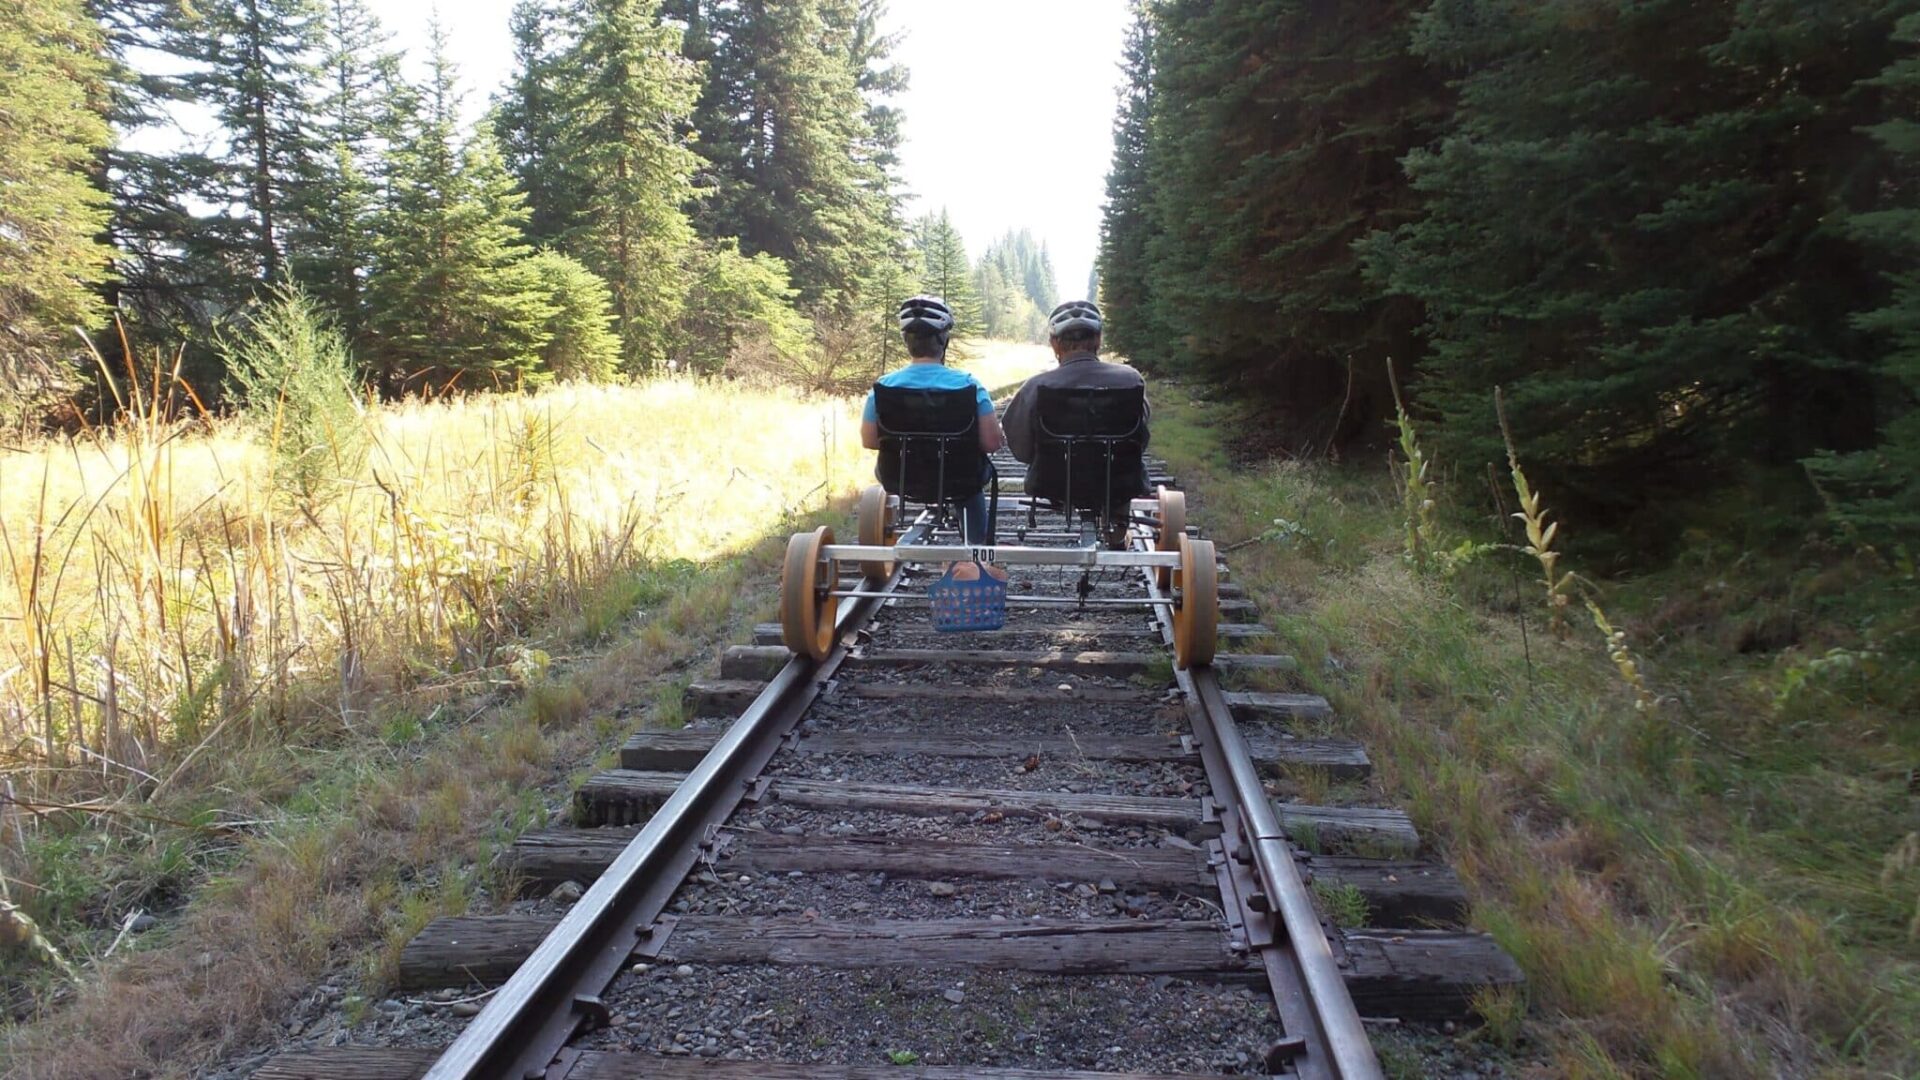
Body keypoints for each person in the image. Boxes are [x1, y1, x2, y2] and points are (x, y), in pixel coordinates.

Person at [1001, 300, 1150, 543]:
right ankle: (1116, 531)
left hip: (1052, 482)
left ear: (1055, 343)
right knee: (1121, 467)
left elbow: (1020, 448)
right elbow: (1139, 439)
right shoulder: (1131, 379)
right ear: (1098, 340)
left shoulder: (1036, 386)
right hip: (1118, 481)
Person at [862, 296, 1006, 543]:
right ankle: (978, 546)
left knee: (963, 476)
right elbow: (992, 444)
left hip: (900, 477)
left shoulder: (882, 388)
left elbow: (870, 441)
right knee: (970, 481)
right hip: (961, 480)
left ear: (907, 341)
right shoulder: (970, 385)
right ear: (944, 340)